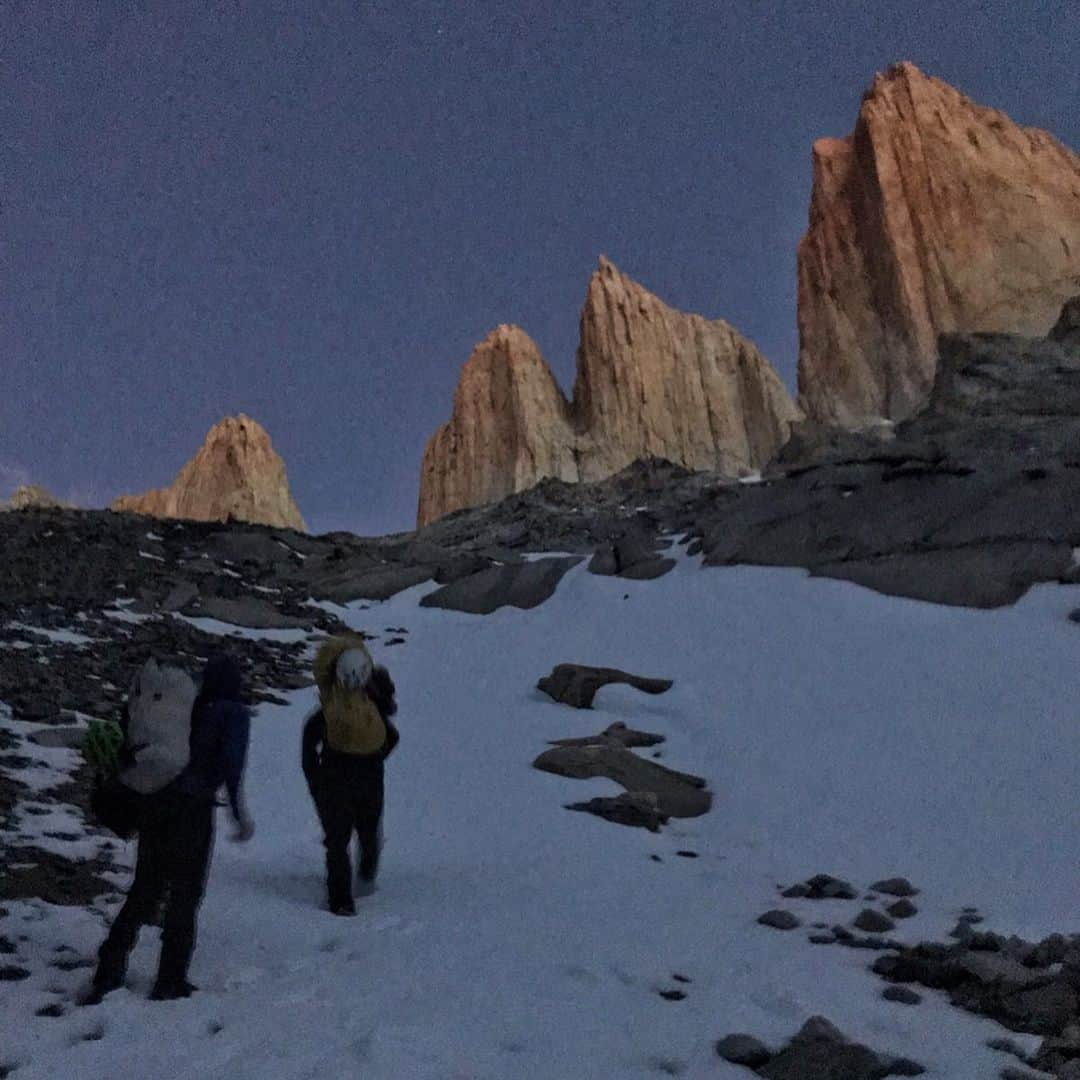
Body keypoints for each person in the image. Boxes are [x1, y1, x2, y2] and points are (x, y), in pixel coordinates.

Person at [83, 654, 254, 1004]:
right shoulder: (232, 713)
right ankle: (170, 980)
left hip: (157, 800)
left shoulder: (190, 707)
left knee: (145, 889)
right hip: (193, 811)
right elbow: (232, 764)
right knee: (185, 896)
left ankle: (109, 969)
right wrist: (238, 812)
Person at [302, 635, 399, 916]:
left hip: (335, 777)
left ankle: (341, 900)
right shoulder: (375, 706)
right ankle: (366, 879)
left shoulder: (328, 713)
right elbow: (392, 736)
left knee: (337, 840)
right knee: (369, 832)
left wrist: (315, 779)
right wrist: (375, 758)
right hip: (370, 777)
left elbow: (309, 744)